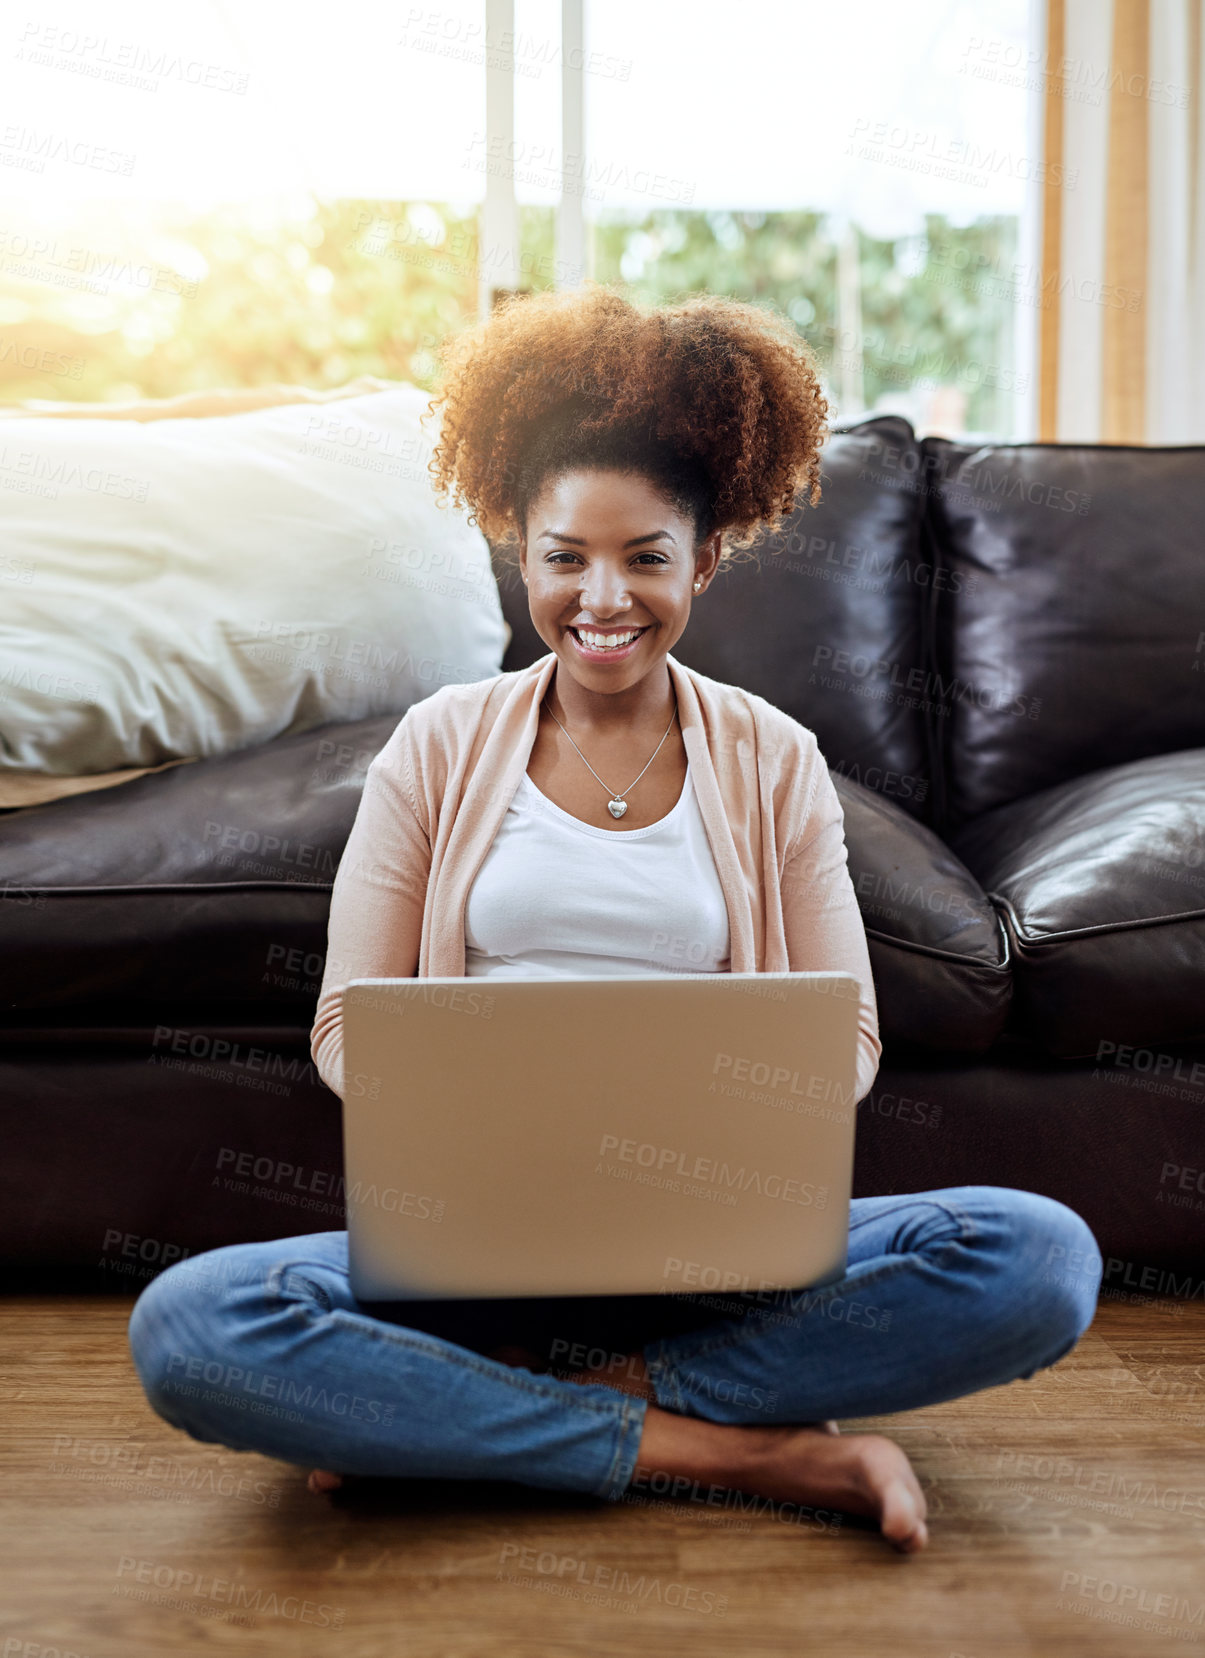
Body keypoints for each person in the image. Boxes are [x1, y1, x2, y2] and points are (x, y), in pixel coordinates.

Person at [127, 285, 1102, 1554]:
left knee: (1038, 1255)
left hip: (712, 1258)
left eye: (644, 556)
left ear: (701, 558)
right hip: (473, 1254)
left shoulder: (774, 758)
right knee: (196, 1323)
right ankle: (731, 1447)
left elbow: (844, 1033)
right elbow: (343, 1023)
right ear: (517, 552)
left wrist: (705, 1116)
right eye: (564, 556)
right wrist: (494, 1118)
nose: (602, 597)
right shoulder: (436, 747)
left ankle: (517, 1422)